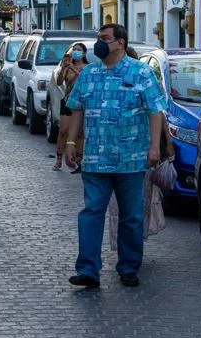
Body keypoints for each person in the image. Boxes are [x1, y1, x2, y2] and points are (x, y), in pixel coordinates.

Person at [65, 23, 167, 290]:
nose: (99, 43)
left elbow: (156, 110)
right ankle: (88, 270)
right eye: (97, 38)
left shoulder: (141, 72)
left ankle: (129, 267)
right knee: (91, 213)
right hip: (96, 159)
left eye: (105, 38)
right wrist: (71, 142)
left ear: (120, 42)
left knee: (131, 216)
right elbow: (77, 109)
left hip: (131, 159)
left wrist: (154, 146)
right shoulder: (88, 73)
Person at [53, 43, 88, 172]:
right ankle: (58, 158)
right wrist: (63, 68)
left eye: (78, 50)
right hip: (67, 102)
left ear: (84, 53)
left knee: (79, 133)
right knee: (64, 130)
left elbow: (82, 79)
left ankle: (78, 159)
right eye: (74, 50)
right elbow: (58, 82)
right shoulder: (67, 67)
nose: (75, 52)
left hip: (80, 103)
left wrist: (72, 67)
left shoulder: (86, 68)